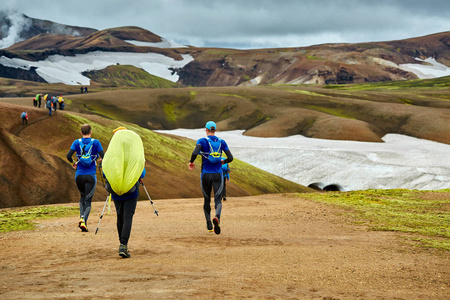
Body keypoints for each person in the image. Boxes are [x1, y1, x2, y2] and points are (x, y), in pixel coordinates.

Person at [102, 127, 146, 258]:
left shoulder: (112, 155)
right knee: (127, 217)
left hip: (116, 191)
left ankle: (122, 243)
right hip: (131, 192)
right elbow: (142, 174)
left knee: (120, 216)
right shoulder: (133, 155)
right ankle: (123, 244)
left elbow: (105, 173)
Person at [188, 121, 233, 234]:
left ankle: (209, 224)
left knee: (207, 199)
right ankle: (217, 217)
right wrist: (223, 161)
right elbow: (231, 158)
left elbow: (195, 152)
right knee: (218, 199)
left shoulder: (202, 141)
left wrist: (191, 162)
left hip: (205, 175)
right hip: (218, 174)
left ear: (206, 130)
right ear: (215, 130)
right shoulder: (222, 142)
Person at [66, 124, 104, 232]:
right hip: (91, 175)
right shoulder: (96, 142)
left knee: (82, 196)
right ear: (90, 132)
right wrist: (100, 159)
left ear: (81, 133)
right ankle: (83, 220)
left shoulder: (76, 142)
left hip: (79, 175)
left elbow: (68, 156)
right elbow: (103, 155)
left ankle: (81, 218)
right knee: (88, 199)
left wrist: (74, 163)